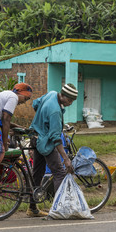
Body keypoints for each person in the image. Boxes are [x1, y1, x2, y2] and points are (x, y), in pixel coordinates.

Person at [27, 83, 77, 217]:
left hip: (35, 137)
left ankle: (32, 208)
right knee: (60, 173)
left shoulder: (51, 94)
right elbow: (56, 138)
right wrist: (65, 159)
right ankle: (59, 210)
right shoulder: (55, 111)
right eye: (70, 100)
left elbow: (35, 104)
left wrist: (42, 120)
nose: (71, 103)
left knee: (37, 173)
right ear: (64, 96)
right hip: (45, 142)